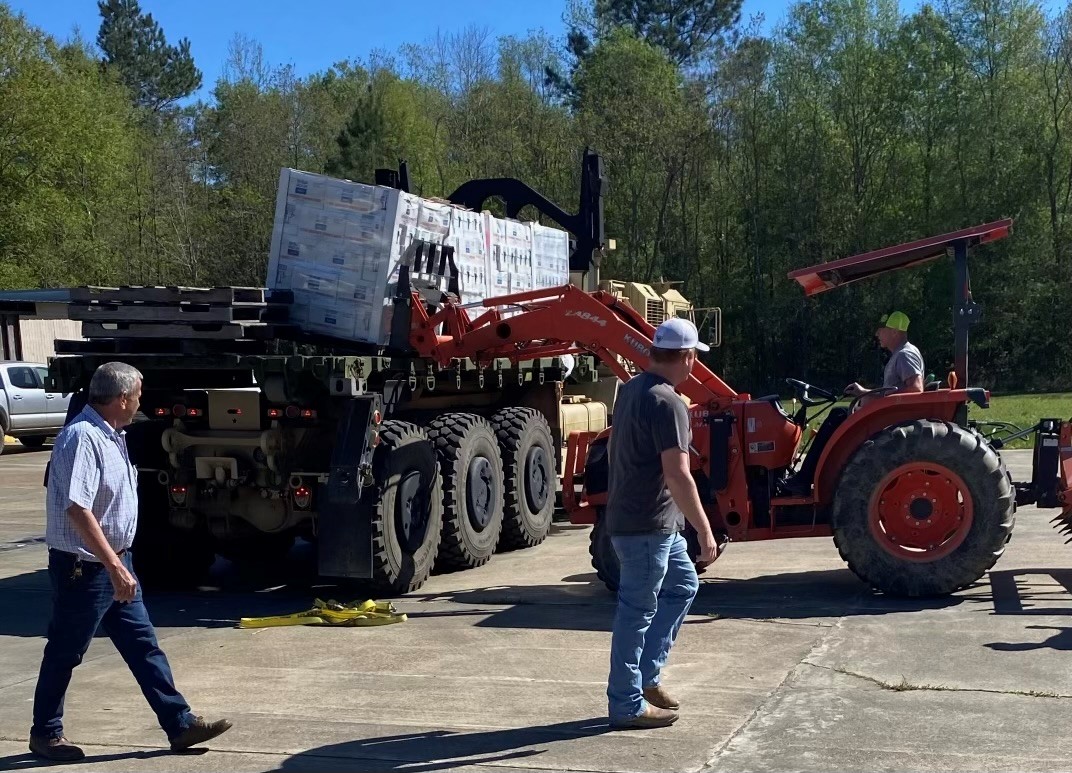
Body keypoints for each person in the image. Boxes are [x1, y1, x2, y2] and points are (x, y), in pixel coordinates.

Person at [29, 362, 232, 761]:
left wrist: (121, 563)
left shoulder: (112, 435)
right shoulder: (81, 438)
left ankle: (180, 724)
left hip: (114, 563)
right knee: (66, 651)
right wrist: (114, 566)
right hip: (86, 569)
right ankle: (45, 733)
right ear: (121, 398)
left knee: (144, 646)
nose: (141, 401)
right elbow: (77, 508)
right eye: (138, 394)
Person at [604, 317, 720, 730]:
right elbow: (678, 474)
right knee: (635, 613)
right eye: (694, 358)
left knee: (684, 585)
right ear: (687, 357)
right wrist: (705, 530)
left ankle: (646, 679)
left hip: (647, 523)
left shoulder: (632, 389)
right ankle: (626, 704)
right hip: (647, 527)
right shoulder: (668, 402)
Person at [845, 310, 925, 406]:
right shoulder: (901, 353)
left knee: (838, 414)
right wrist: (864, 392)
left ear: (894, 332)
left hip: (895, 418)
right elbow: (889, 393)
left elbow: (915, 389)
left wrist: (875, 399)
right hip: (893, 415)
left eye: (881, 330)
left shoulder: (904, 355)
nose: (876, 334)